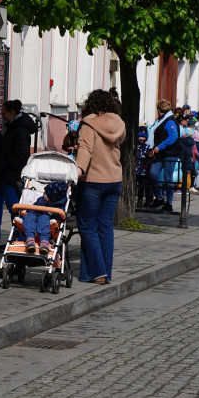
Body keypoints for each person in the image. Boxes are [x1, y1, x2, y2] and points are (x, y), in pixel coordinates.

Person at [75, 89, 125, 285]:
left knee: (87, 226)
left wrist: (78, 170)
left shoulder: (89, 123)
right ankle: (99, 272)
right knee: (105, 227)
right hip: (114, 180)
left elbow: (85, 149)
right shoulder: (119, 123)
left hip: (93, 181)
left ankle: (98, 273)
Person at [0, 100, 38, 243]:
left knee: (15, 209)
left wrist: (4, 165)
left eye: (4, 113)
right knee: (15, 209)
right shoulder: (15, 128)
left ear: (12, 112)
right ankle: (18, 239)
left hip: (11, 177)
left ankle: (20, 240)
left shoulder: (19, 130)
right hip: (10, 176)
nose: (2, 116)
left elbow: (21, 155)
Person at [17, 180, 69, 255]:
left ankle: (44, 242)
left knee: (44, 218)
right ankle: (30, 239)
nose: (43, 193)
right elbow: (33, 209)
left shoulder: (59, 207)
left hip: (47, 223)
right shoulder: (41, 200)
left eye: (46, 194)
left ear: (52, 198)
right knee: (29, 216)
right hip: (34, 217)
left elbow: (59, 216)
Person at [147, 100, 180, 213]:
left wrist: (159, 147)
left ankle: (169, 203)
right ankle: (159, 198)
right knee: (153, 174)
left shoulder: (169, 121)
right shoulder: (160, 120)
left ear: (159, 110)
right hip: (160, 153)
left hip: (170, 153)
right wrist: (153, 149)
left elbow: (173, 136)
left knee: (168, 178)